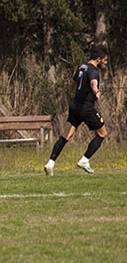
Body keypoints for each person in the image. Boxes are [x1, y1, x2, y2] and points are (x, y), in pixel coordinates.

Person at [44, 45, 108, 175]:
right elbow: (93, 83)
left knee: (65, 136)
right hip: (86, 108)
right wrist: (96, 91)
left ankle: (50, 163)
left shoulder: (81, 67)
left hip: (75, 106)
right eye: (105, 60)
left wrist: (70, 94)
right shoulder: (94, 71)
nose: (106, 62)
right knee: (102, 134)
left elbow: (72, 84)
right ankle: (84, 160)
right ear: (98, 59)